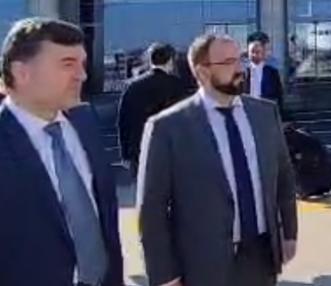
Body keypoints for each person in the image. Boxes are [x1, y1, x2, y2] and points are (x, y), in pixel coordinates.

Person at [137, 33, 299, 286]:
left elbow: (285, 179)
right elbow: (152, 209)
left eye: (240, 59)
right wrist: (165, 275)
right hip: (201, 264)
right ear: (201, 72)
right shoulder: (167, 127)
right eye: (228, 62)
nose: (240, 69)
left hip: (260, 257)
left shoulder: (265, 114)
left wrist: (289, 234)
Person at [0, 17, 125, 286]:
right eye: (67, 64)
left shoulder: (85, 122)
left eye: (81, 64)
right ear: (22, 72)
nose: (82, 75)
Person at [117, 42, 187, 176]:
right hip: (169, 151)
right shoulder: (176, 86)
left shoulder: (132, 86)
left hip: (138, 149)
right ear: (170, 61)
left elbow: (123, 121)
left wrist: (125, 153)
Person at [243, 40, 285, 112]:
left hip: (266, 112)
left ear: (263, 53)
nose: (254, 54)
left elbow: (279, 95)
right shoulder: (242, 73)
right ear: (248, 53)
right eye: (252, 52)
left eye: (257, 52)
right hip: (247, 112)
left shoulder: (272, 73)